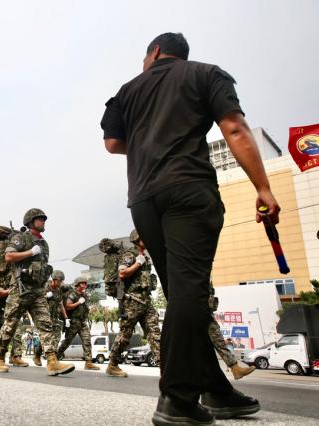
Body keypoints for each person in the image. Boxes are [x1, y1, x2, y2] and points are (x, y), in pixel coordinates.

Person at [102, 32, 279, 423]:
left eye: (145, 57)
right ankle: (178, 398)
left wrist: (151, 143)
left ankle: (215, 391)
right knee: (189, 293)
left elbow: (113, 143)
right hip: (187, 190)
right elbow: (234, 128)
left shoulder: (127, 91)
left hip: (144, 201)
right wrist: (263, 188)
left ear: (155, 53)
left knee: (183, 294)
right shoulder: (206, 75)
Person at [0, 208, 74, 376]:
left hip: (38, 290)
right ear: (31, 222)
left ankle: (52, 361)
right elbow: (9, 257)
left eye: (44, 219)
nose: (43, 221)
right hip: (20, 289)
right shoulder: (21, 238)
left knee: (46, 325)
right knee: (10, 325)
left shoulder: (44, 243)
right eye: (40, 219)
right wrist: (30, 252)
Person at [106, 230, 160, 378]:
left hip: (146, 301)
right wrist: (138, 263)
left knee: (155, 334)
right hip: (132, 301)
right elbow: (122, 273)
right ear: (137, 238)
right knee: (125, 335)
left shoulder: (146, 258)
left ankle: (166, 368)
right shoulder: (130, 254)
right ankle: (112, 364)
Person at [57, 277, 100, 371]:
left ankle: (88, 362)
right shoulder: (73, 294)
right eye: (82, 283)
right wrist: (78, 302)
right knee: (67, 341)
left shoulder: (84, 295)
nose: (85, 285)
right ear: (77, 284)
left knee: (87, 341)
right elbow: (67, 306)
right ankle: (56, 357)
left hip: (83, 322)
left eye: (85, 283)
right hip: (74, 322)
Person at [33, 270, 68, 366]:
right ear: (54, 280)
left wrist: (66, 318)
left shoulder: (59, 290)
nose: (61, 283)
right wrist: (45, 296)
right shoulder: (45, 286)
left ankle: (53, 359)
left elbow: (61, 304)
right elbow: (35, 298)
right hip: (44, 316)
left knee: (57, 336)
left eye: (62, 281)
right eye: (60, 281)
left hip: (55, 317)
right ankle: (37, 354)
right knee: (46, 337)